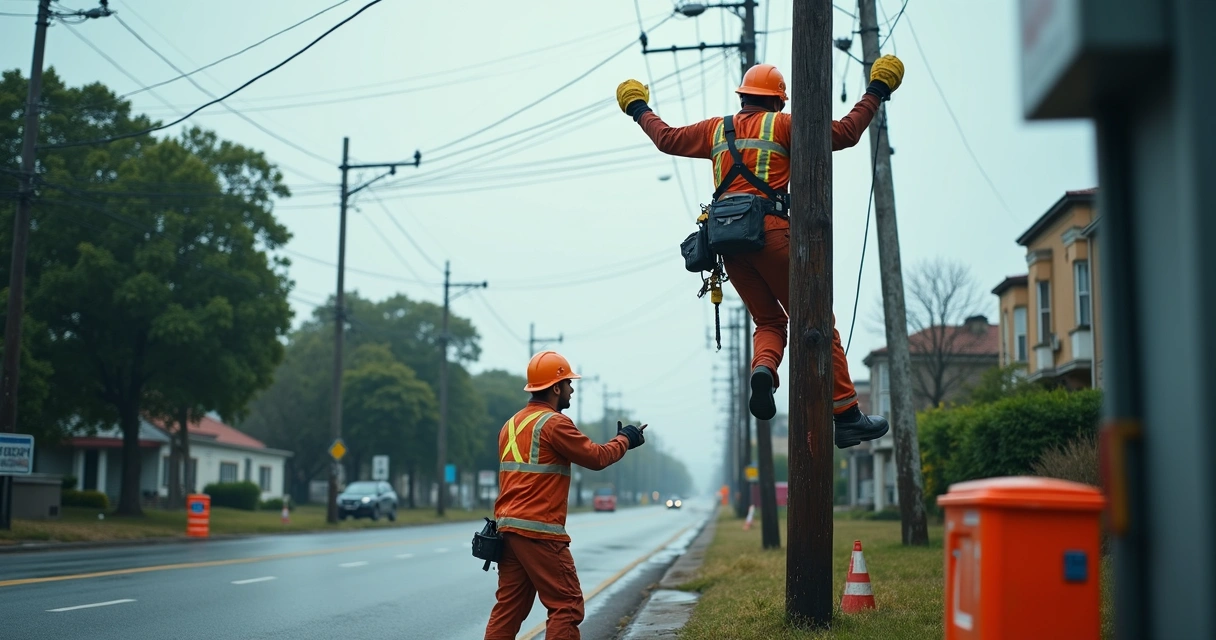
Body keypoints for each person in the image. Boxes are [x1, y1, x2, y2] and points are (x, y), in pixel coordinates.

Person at [615, 58, 905, 448]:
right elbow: (846, 133)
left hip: (728, 246)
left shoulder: (716, 129)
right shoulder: (784, 125)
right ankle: (847, 414)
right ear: (777, 101)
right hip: (773, 235)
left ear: (744, 97)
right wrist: (877, 90)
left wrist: (638, 107)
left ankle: (764, 369)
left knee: (769, 321)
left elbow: (667, 138)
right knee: (816, 318)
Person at [484, 351, 646, 640]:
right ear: (556, 388)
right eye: (569, 383)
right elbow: (596, 457)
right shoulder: (554, 423)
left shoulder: (510, 426)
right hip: (539, 531)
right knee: (567, 606)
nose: (572, 389)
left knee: (507, 611)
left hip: (508, 530)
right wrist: (626, 439)